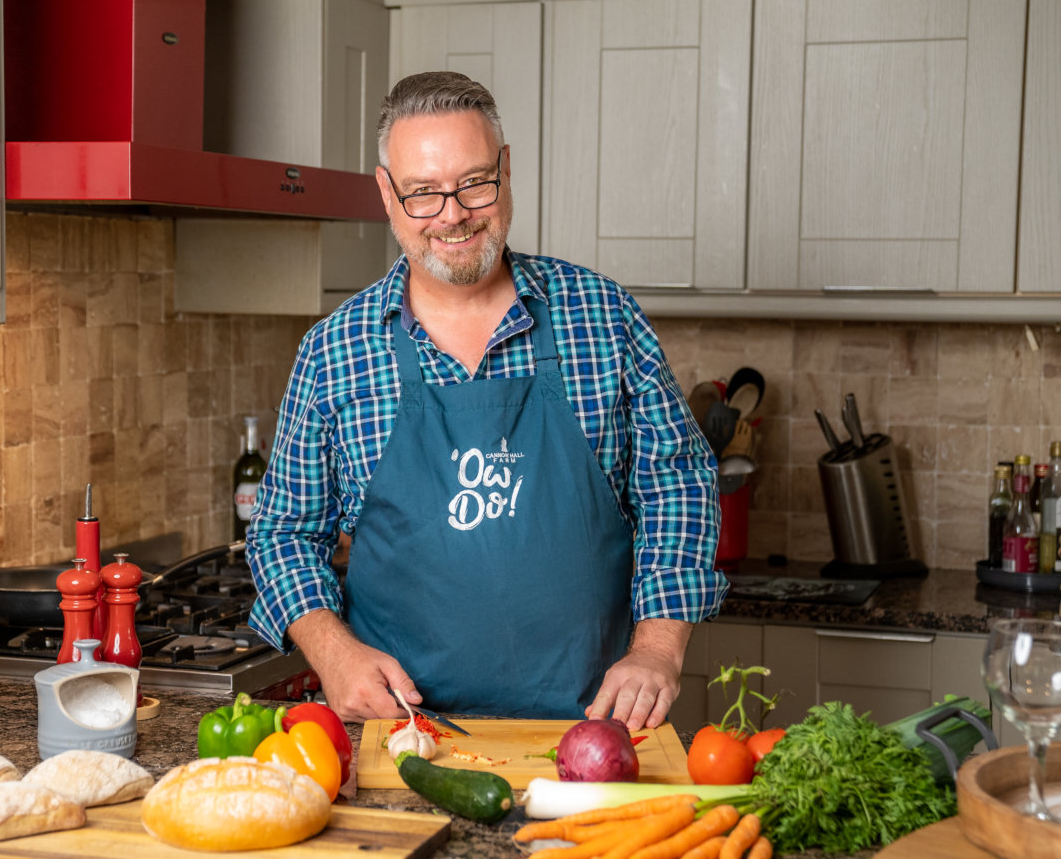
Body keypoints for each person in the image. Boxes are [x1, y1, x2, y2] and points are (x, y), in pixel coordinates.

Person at [246, 71, 724, 730]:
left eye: (474, 182)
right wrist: (334, 654)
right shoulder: (335, 351)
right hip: (405, 735)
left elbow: (678, 487)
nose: (453, 214)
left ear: (507, 169)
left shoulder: (602, 316)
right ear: (387, 194)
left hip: (597, 727)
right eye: (422, 193)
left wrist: (658, 651)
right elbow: (283, 533)